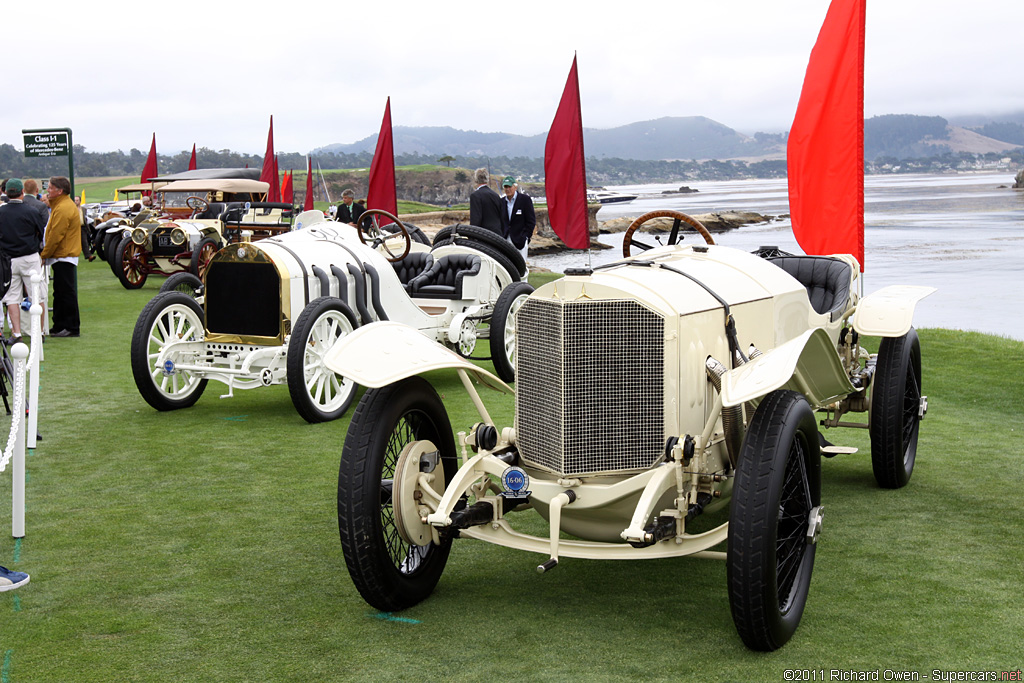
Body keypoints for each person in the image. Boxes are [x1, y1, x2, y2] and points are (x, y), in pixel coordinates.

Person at [0, 179, 46, 344]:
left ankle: (16, 333)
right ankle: (39, 332)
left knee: (12, 297)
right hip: (29, 257)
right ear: (21, 193)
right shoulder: (31, 211)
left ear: (6, 193)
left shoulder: (1, 212)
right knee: (37, 294)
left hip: (8, 259)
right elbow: (40, 234)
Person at [40, 176, 81, 338]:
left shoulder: (63, 208)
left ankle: (71, 327)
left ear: (60, 190)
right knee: (60, 292)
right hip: (62, 256)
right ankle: (59, 325)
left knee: (66, 292)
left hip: (64, 255)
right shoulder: (61, 205)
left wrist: (45, 254)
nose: (48, 190)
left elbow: (56, 236)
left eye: (50, 187)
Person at [499, 176, 536, 263]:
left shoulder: (525, 200)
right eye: (505, 187)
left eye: (509, 187)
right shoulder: (501, 202)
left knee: (521, 267)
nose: (507, 189)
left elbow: (531, 221)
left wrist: (526, 236)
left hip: (520, 240)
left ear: (515, 187)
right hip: (505, 239)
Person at [468, 168, 502, 235]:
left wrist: (472, 236)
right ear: (487, 179)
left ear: (476, 180)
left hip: (484, 235)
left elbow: (476, 219)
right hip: (497, 234)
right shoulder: (496, 195)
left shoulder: (475, 196)